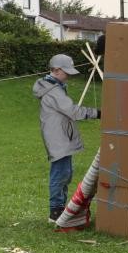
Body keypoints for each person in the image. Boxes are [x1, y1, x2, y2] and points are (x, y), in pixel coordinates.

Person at [33, 54, 100, 223]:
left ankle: (60, 207)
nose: (68, 76)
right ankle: (55, 211)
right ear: (56, 70)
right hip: (58, 137)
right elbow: (73, 112)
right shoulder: (53, 90)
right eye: (66, 72)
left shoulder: (55, 86)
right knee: (60, 174)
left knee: (65, 173)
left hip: (61, 135)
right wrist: (97, 113)